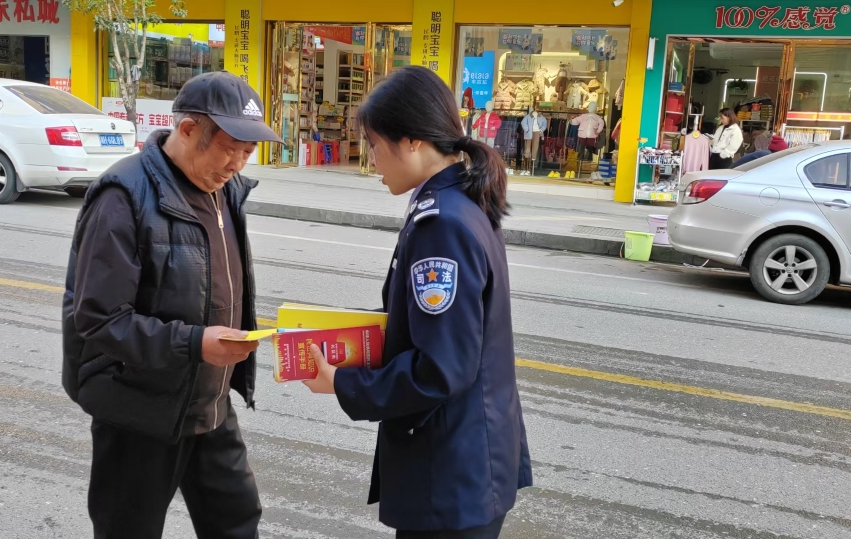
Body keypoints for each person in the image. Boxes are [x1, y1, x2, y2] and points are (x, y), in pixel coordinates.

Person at [302, 65, 533, 539]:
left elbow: (441, 368)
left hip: (449, 476)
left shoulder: (441, 222)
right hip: (468, 461)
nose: (370, 159)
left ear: (410, 141)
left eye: (373, 144)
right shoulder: (461, 201)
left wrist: (344, 383)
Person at [61, 71, 283, 539]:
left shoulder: (226, 191)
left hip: (209, 406)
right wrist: (196, 344)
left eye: (248, 152)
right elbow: (100, 320)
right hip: (139, 411)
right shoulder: (124, 196)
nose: (237, 164)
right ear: (187, 130)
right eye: (230, 149)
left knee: (237, 522)